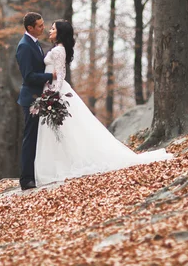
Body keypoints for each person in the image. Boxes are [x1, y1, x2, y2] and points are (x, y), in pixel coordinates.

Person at [34, 20, 173, 186]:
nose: (50, 30)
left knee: (67, 129)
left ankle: (64, 164)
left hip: (55, 92)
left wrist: (54, 95)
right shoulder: (59, 49)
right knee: (64, 131)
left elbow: (61, 74)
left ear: (60, 32)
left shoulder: (58, 50)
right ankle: (61, 162)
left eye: (53, 28)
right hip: (51, 90)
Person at [15, 12, 56, 190]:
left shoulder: (34, 43)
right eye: (39, 26)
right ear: (30, 28)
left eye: (43, 24)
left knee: (40, 137)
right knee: (30, 138)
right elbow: (29, 76)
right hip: (31, 98)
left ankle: (38, 173)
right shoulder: (24, 46)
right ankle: (26, 179)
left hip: (40, 96)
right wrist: (50, 75)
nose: (43, 28)